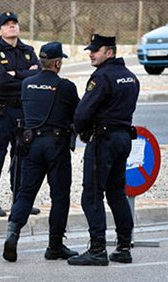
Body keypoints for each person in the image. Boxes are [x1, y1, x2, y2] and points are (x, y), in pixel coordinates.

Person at [2, 42, 80, 262]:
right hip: (56, 146)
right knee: (60, 196)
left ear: (40, 61)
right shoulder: (66, 87)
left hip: (31, 146)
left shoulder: (27, 84)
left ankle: (13, 234)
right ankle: (55, 245)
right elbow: (79, 113)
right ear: (57, 63)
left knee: (26, 193)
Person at [67, 34, 139, 266]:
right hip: (123, 138)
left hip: (103, 142)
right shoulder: (130, 77)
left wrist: (80, 130)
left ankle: (97, 250)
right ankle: (124, 247)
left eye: (95, 51)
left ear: (109, 52)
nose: (91, 54)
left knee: (92, 194)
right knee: (117, 192)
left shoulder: (101, 77)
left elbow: (82, 113)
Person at [0, 11, 41, 217]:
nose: (12, 26)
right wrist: (26, 76)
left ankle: (20, 198)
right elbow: (0, 81)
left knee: (22, 155)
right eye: (7, 24)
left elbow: (38, 75)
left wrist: (16, 74)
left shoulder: (28, 50)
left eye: (14, 23)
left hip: (24, 110)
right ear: (0, 29)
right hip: (2, 110)